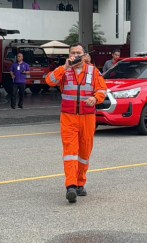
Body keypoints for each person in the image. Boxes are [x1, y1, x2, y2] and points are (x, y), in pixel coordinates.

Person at [45, 44, 108, 203]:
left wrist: (95, 98)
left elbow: (102, 90)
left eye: (78, 52)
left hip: (87, 118)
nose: (75, 55)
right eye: (72, 52)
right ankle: (71, 186)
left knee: (84, 153)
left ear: (84, 55)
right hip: (68, 118)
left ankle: (81, 183)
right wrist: (64, 67)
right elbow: (49, 81)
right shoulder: (64, 71)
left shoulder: (93, 71)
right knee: (70, 152)